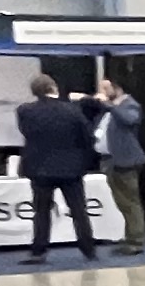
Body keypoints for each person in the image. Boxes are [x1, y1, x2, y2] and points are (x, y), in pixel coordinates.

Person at [16, 71, 100, 263]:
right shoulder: (72, 110)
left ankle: (39, 251)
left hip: (39, 167)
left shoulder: (25, 111)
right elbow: (87, 136)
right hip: (71, 168)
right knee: (79, 210)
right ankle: (88, 249)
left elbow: (26, 132)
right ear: (54, 88)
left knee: (41, 211)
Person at [97, 76, 145, 253]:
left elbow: (129, 120)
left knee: (130, 202)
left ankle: (137, 240)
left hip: (125, 161)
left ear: (117, 89)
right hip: (110, 160)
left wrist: (109, 105)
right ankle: (130, 236)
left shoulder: (130, 105)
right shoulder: (110, 109)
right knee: (122, 202)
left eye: (106, 89)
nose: (102, 93)